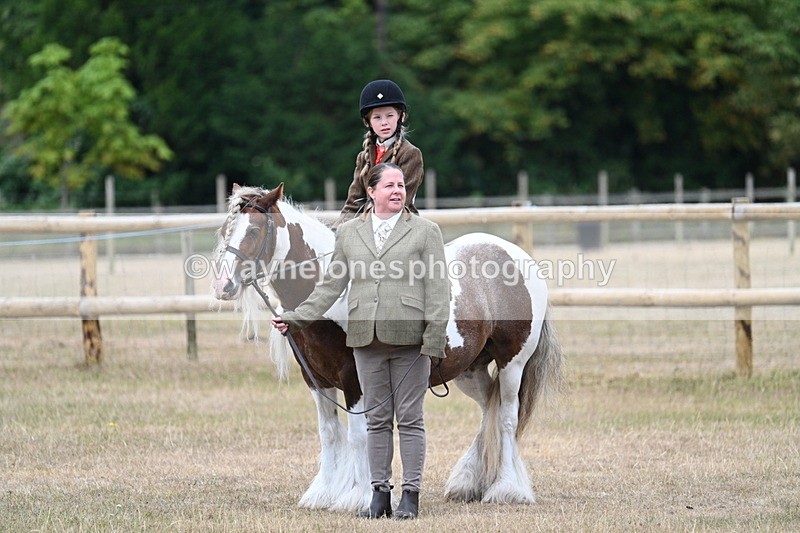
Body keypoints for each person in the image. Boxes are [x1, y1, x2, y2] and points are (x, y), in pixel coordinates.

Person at [271, 163, 450, 520]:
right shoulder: (350, 233)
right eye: (390, 185)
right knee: (377, 420)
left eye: (401, 185)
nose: (398, 190)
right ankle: (379, 494)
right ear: (371, 191)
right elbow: (330, 287)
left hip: (411, 341)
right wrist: (294, 318)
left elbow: (438, 290)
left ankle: (411, 495)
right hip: (365, 341)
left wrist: (433, 339)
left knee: (410, 420)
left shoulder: (426, 232)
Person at [332, 79, 425, 229]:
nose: (384, 123)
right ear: (367, 122)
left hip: (401, 226)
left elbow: (399, 202)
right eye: (377, 117)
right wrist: (338, 230)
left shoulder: (410, 154)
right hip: (367, 225)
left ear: (401, 117)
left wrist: (361, 225)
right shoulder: (364, 157)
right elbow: (353, 203)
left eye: (389, 116)